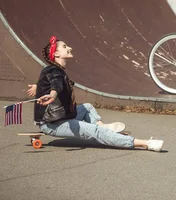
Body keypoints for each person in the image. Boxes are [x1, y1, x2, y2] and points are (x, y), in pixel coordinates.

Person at [29, 36, 164, 151]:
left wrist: (39, 86)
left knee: (87, 107)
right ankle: (145, 143)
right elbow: (56, 84)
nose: (69, 47)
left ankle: (103, 128)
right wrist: (52, 94)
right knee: (96, 132)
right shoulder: (55, 71)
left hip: (61, 116)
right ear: (56, 54)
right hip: (53, 124)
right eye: (64, 46)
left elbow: (53, 81)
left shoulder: (51, 70)